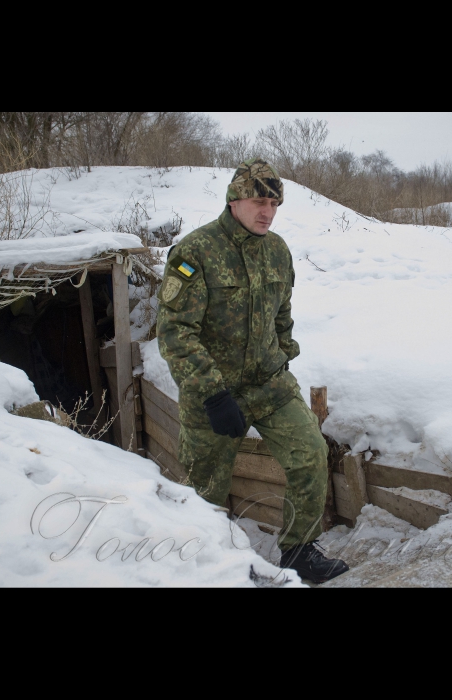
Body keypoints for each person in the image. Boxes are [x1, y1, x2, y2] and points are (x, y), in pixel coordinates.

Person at [156, 158, 349, 583]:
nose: (268, 212)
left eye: (275, 204)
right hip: (216, 393)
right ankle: (205, 564)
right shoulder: (195, 252)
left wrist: (282, 353)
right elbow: (174, 332)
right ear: (234, 201)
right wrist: (213, 394)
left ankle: (299, 551)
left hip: (270, 384)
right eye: (259, 201)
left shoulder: (277, 250)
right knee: (206, 489)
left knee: (310, 455)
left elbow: (282, 313)